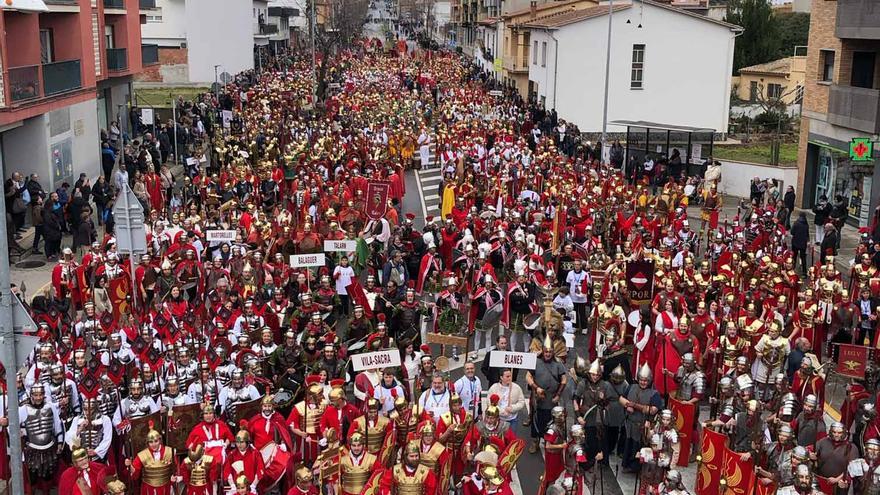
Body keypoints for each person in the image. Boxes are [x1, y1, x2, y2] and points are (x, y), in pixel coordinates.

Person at [527, 337, 567, 453]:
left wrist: (558, 395)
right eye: (546, 351)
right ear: (543, 351)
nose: (548, 354)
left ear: (553, 352)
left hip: (552, 398)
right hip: (539, 397)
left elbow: (563, 380)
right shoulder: (536, 362)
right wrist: (536, 388)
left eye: (550, 352)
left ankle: (548, 440)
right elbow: (528, 377)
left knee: (550, 421)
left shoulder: (558, 364)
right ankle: (535, 441)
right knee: (536, 420)